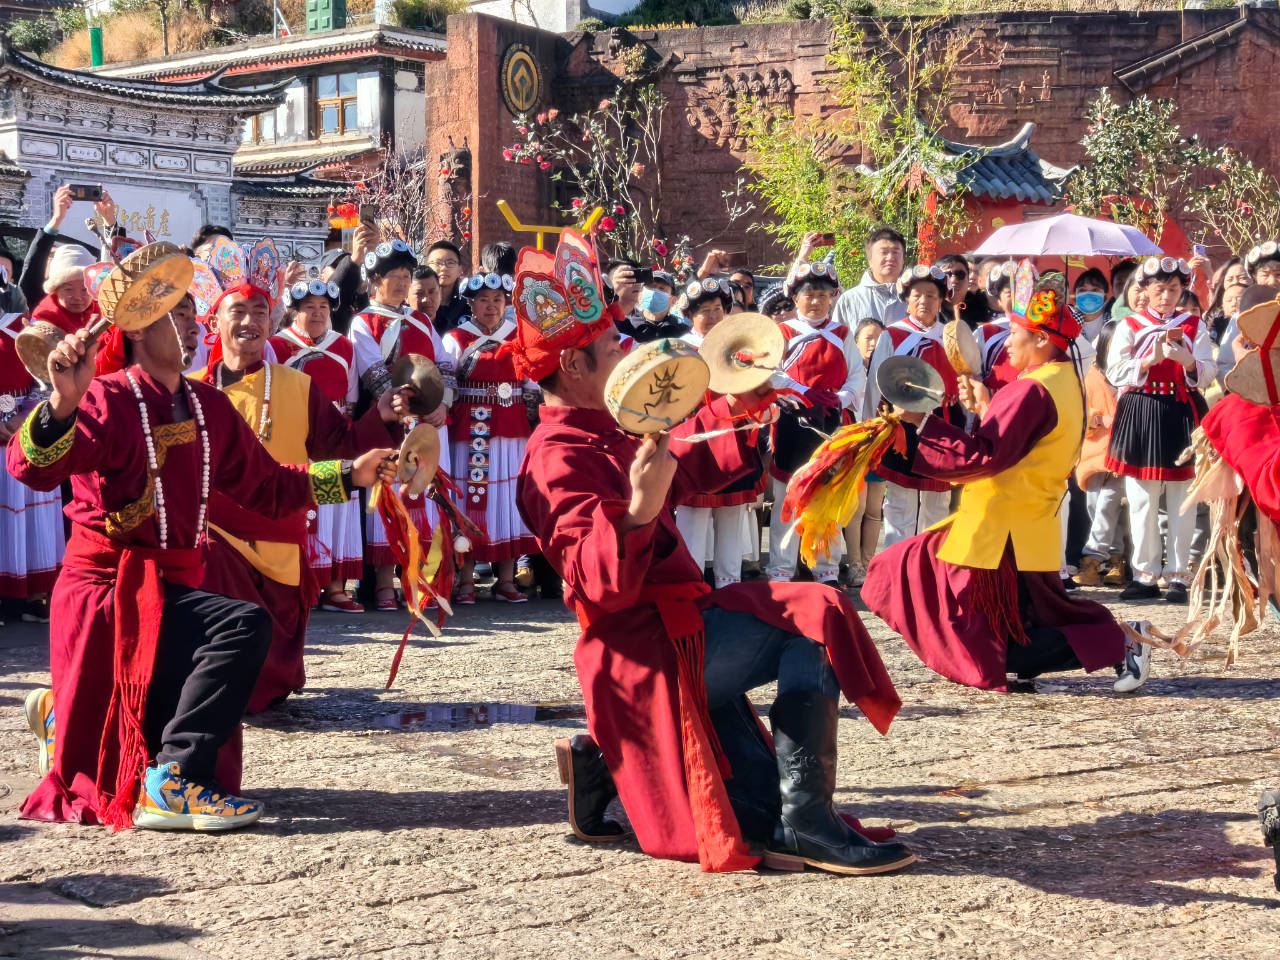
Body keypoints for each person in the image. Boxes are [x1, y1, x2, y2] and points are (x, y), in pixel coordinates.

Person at [514, 277, 912, 876]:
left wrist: (741, 401)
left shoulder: (607, 425)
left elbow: (688, 459)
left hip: (679, 624)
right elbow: (598, 582)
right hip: (641, 648)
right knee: (815, 616)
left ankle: (603, 757)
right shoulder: (555, 456)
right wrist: (641, 510)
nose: (629, 353)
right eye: (614, 347)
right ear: (572, 364)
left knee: (752, 808)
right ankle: (807, 822)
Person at [11, 276, 392, 830]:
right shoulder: (109, 396)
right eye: (177, 315)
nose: (192, 325)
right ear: (138, 330)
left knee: (231, 630)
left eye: (193, 314)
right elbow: (31, 471)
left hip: (169, 589)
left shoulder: (205, 405)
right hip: (107, 593)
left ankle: (105, 739)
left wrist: (348, 474)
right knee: (239, 625)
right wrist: (63, 402)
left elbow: (267, 485)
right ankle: (175, 779)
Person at [862, 274, 1153, 693]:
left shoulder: (1031, 390)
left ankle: (1120, 641)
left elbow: (985, 455)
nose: (1007, 341)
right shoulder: (1064, 380)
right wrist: (987, 406)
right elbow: (1017, 443)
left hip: (1001, 529)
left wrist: (920, 422)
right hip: (1023, 521)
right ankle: (1116, 639)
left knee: (931, 596)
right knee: (1028, 613)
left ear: (1040, 340)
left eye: (1016, 332)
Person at [350, 239, 452, 610]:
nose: (400, 282)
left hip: (427, 420)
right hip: (390, 422)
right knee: (388, 495)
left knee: (422, 495)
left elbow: (444, 365)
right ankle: (380, 582)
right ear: (374, 281)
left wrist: (443, 402)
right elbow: (373, 372)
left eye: (405, 275)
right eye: (392, 276)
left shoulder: (422, 320)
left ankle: (420, 575)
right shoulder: (365, 322)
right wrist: (402, 408)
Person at [1105, 257, 1214, 604]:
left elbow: (1209, 372)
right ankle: (1145, 573)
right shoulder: (1130, 324)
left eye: (1173, 289)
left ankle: (1179, 575)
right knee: (1141, 498)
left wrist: (1189, 363)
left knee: (1183, 498)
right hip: (1142, 409)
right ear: (1145, 291)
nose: (1166, 296)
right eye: (1159, 289)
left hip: (1182, 410)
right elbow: (1114, 370)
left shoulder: (1194, 325)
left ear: (1182, 290)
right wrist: (1147, 361)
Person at [270, 280, 366, 614]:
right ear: (295, 312)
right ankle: (303, 583)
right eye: (309, 307)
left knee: (338, 504)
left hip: (335, 433)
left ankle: (336, 585)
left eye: (323, 307)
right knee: (307, 504)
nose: (317, 313)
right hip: (296, 434)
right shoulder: (277, 347)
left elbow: (351, 394)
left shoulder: (343, 346)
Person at [442, 271, 537, 603]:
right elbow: (445, 383)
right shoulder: (456, 338)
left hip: (510, 432)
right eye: (483, 300)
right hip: (468, 432)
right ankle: (466, 579)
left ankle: (507, 578)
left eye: (497, 300)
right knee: (470, 500)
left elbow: (531, 385)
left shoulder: (519, 336)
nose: (491, 306)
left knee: (507, 501)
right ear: (471, 303)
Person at [767, 262, 865, 585]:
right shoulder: (783, 333)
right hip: (793, 424)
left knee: (826, 498)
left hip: (830, 424)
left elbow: (857, 375)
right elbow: (771, 374)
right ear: (795, 297)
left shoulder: (842, 334)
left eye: (823, 294)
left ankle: (826, 568)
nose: (816, 301)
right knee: (788, 497)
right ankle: (781, 568)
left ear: (833, 298)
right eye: (808, 293)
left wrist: (841, 398)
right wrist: (803, 392)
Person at [674, 279, 764, 590]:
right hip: (696, 443)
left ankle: (731, 588)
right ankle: (691, 586)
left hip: (733, 441)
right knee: (692, 521)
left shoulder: (738, 350)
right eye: (704, 311)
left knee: (731, 519)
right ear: (690, 315)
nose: (712, 317)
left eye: (717, 309)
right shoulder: (679, 349)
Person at [866, 264, 962, 546]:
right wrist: (872, 427)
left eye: (931, 295)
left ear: (942, 298)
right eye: (917, 295)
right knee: (899, 501)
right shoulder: (891, 335)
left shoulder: (951, 336)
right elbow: (875, 385)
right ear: (906, 299)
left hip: (942, 424)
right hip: (902, 425)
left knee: (938, 500)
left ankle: (931, 562)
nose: (924, 301)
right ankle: (896, 563)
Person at [0, 311, 63, 624]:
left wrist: (23, 416)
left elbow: (49, 377)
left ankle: (26, 596)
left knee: (20, 521)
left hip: (20, 440)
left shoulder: (21, 326)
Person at [1074, 320, 1129, 587]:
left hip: (1123, 454)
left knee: (1108, 503)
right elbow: (1077, 410)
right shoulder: (1089, 376)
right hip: (1094, 453)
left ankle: (1092, 558)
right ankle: (1116, 559)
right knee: (1097, 505)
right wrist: (1097, 418)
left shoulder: (1129, 375)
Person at [842, 318, 887, 587]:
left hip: (880, 446)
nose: (873, 344)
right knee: (855, 509)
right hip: (855, 447)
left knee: (874, 510)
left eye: (879, 339)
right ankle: (854, 563)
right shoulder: (850, 371)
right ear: (855, 342)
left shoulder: (887, 371)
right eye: (868, 338)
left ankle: (869, 564)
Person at [832, 226, 907, 327]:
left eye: (896, 252)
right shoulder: (850, 300)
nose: (890, 257)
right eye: (884, 252)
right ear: (870, 260)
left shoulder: (914, 298)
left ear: (903, 260)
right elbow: (836, 339)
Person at [424, 240, 470, 333]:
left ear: (460, 269)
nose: (444, 268)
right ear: (426, 267)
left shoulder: (469, 306)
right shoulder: (419, 303)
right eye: (437, 263)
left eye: (450, 263)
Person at [937, 253, 991, 330]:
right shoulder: (930, 311)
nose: (953, 280)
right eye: (947, 275)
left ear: (968, 279)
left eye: (960, 275)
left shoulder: (984, 307)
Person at [1072, 268, 1110, 343]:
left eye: (1095, 290)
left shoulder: (1115, 324)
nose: (1088, 295)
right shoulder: (1067, 325)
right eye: (1082, 290)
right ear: (1075, 296)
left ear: (1105, 297)